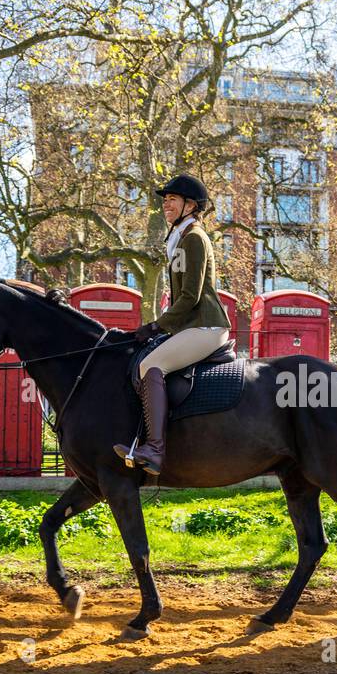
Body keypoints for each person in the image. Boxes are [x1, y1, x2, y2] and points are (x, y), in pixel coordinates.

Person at [113, 173, 231, 475]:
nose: (166, 204)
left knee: (150, 367)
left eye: (172, 199)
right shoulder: (180, 239)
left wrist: (157, 326)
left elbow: (190, 296)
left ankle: (154, 449)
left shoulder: (193, 239)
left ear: (190, 205)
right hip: (191, 326)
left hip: (205, 326)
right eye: (164, 200)